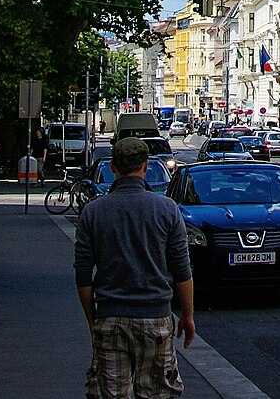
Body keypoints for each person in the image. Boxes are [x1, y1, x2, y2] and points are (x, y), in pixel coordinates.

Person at [74, 137, 195, 397]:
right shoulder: (166, 209)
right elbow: (182, 271)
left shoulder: (93, 212)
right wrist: (187, 315)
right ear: (145, 165)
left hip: (111, 318)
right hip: (155, 319)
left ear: (113, 168)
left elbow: (83, 277)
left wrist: (92, 318)